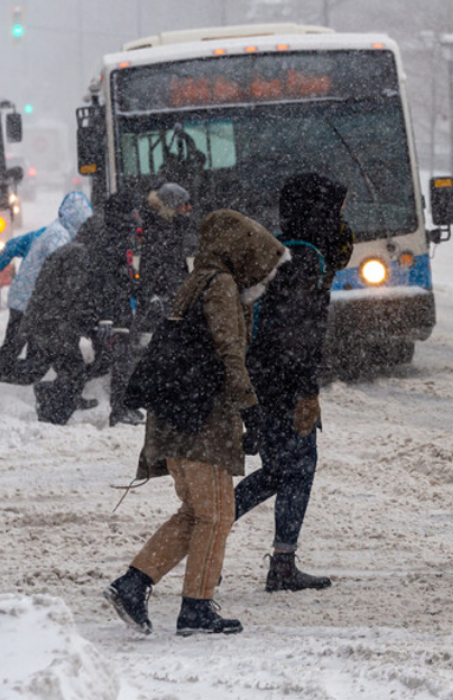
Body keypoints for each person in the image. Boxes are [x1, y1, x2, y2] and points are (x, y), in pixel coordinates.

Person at [103, 209, 287, 637]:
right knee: (218, 515)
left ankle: (133, 584)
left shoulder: (197, 280)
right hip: (202, 419)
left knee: (198, 511)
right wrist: (251, 410)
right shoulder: (221, 286)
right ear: (241, 252)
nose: (264, 277)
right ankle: (196, 607)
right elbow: (229, 356)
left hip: (177, 416)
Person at [235, 173, 353, 592]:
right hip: (281, 383)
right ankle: (216, 523)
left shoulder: (287, 249)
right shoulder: (305, 259)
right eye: (337, 208)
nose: (342, 217)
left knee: (283, 469)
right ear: (319, 210)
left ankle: (268, 553)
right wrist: (306, 390)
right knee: (294, 467)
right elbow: (295, 334)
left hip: (267, 378)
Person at [0, 192, 92, 421]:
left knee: (44, 357)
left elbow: (11, 247)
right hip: (31, 306)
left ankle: (62, 397)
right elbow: (61, 276)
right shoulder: (58, 239)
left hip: (31, 303)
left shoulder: (54, 231)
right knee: (27, 360)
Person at [82, 191, 144, 426]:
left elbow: (124, 275)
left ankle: (124, 406)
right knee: (121, 361)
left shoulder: (122, 236)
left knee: (119, 360)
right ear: (123, 214)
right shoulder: (111, 240)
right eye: (133, 210)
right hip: (113, 310)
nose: (137, 215)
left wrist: (139, 289)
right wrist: (105, 318)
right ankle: (119, 411)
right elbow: (104, 280)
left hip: (120, 307)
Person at [138, 183, 195, 333]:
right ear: (172, 207)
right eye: (185, 204)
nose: (189, 208)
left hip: (169, 303)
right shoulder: (160, 234)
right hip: (165, 307)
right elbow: (153, 272)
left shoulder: (169, 230)